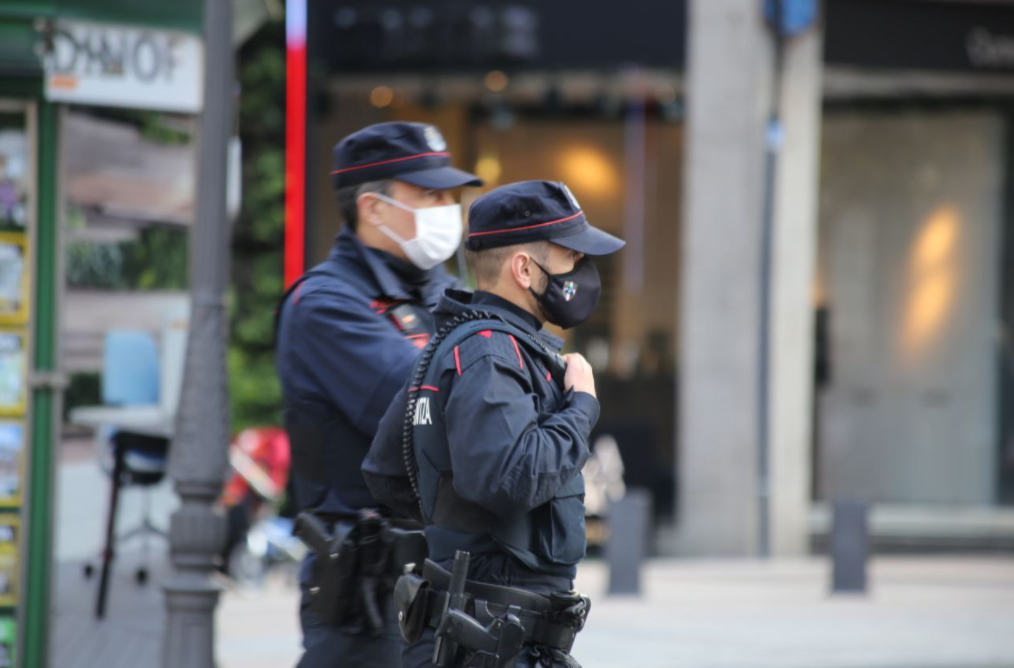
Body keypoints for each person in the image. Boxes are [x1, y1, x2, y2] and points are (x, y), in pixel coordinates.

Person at [364, 180, 624, 668]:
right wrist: (581, 406)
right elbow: (509, 478)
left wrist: (459, 533)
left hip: (481, 628)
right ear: (524, 269)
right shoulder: (488, 351)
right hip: (493, 637)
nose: (583, 273)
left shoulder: (458, 344)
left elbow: (388, 473)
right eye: (571, 257)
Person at [276, 121, 482, 668]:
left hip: (447, 587)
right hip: (369, 605)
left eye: (449, 195)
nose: (447, 208)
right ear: (373, 207)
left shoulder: (443, 290)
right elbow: (437, 412)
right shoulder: (326, 305)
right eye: (429, 195)